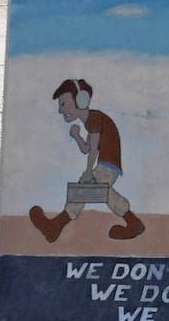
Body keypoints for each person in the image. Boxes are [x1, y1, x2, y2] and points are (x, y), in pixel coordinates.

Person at [29, 79, 144, 242]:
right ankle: (133, 223)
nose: (61, 110)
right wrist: (76, 137)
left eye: (64, 104)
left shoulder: (95, 118)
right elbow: (87, 149)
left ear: (81, 100)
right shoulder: (91, 121)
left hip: (108, 165)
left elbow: (92, 152)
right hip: (107, 165)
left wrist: (89, 171)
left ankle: (55, 227)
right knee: (100, 192)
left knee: (84, 190)